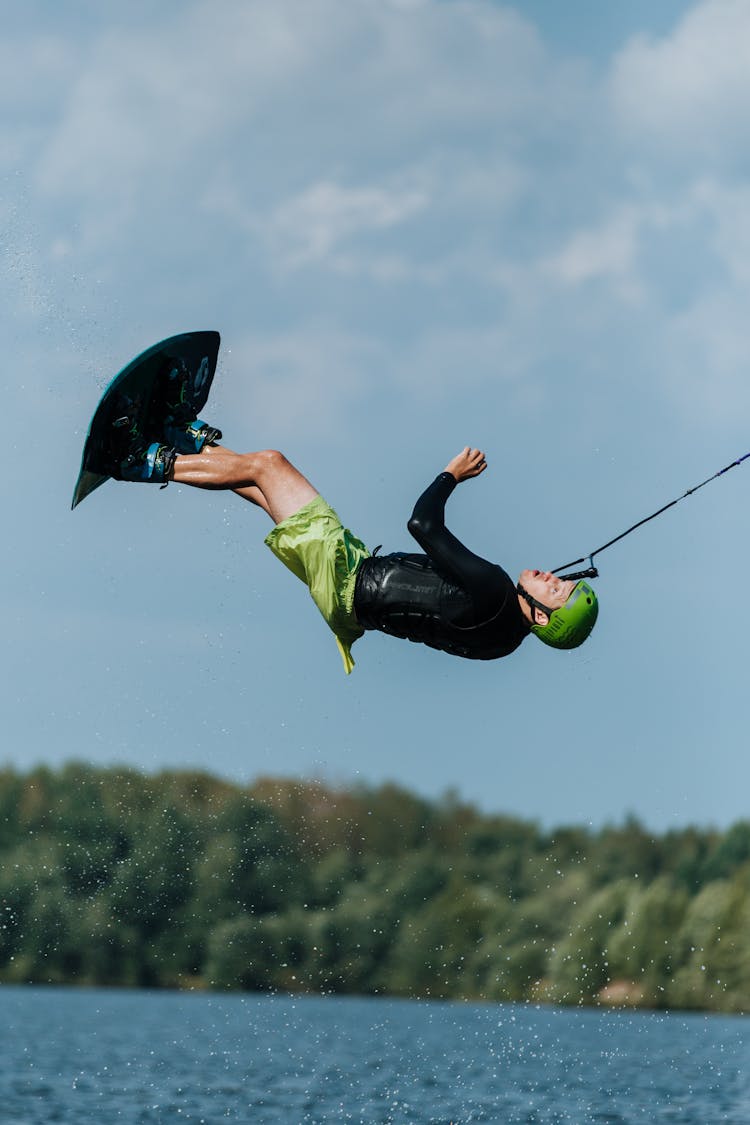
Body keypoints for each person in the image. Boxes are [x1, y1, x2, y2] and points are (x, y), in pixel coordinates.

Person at [108, 417, 599, 674]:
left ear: (538, 617)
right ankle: (191, 444)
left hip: (348, 576)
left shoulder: (493, 590)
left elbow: (422, 524)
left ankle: (142, 461)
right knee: (265, 493)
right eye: (563, 582)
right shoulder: (504, 643)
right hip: (350, 604)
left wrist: (451, 474)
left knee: (270, 466)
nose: (555, 578)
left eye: (556, 592)